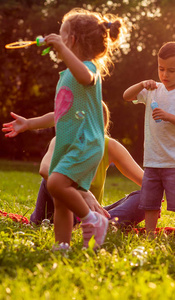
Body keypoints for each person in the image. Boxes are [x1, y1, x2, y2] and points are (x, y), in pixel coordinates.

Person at [4, 8, 126, 250]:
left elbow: (85, 77)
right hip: (69, 145)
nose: (57, 41)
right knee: (60, 200)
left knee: (56, 184)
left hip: (85, 143)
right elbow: (58, 114)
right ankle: (63, 246)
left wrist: (61, 48)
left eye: (62, 35)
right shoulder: (68, 74)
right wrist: (29, 123)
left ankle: (94, 220)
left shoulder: (89, 69)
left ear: (72, 40)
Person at [3, 103, 146, 228]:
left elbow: (146, 182)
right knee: (52, 179)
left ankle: (102, 224)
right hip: (53, 215)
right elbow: (44, 169)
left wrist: (154, 193)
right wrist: (83, 192)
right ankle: (94, 224)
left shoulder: (109, 146)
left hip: (89, 216)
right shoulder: (61, 140)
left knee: (144, 196)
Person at [123, 41, 175, 241]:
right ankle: (150, 237)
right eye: (161, 69)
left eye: (171, 70)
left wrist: (168, 116)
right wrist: (141, 84)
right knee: (150, 203)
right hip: (152, 160)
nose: (165, 75)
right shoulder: (152, 90)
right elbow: (126, 96)